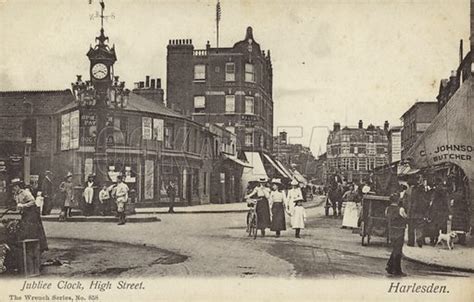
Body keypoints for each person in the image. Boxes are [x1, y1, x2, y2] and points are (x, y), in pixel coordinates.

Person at [11, 178, 48, 252]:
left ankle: (39, 247)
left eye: (15, 186)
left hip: (32, 212)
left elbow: (33, 202)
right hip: (25, 213)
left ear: (19, 186)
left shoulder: (25, 192)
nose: (14, 188)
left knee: (33, 229)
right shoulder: (16, 194)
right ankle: (27, 245)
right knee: (24, 227)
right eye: (13, 187)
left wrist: (23, 205)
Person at [385, 192, 408, 276]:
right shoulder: (400, 209)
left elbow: (387, 218)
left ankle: (390, 267)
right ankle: (397, 270)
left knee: (395, 249)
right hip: (399, 231)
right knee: (398, 251)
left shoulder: (387, 209)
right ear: (398, 200)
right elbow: (406, 217)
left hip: (391, 231)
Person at [403, 173, 429, 247]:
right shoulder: (421, 190)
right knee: (419, 227)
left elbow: (404, 202)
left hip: (410, 212)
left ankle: (411, 242)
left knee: (411, 228)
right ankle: (419, 240)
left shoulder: (408, 191)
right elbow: (424, 201)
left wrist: (406, 209)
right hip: (419, 212)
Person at [426, 178, 449, 245]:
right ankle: (440, 240)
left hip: (435, 211)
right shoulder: (445, 192)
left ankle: (433, 240)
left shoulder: (433, 192)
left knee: (434, 226)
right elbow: (447, 203)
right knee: (442, 226)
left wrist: (429, 211)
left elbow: (431, 202)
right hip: (442, 211)